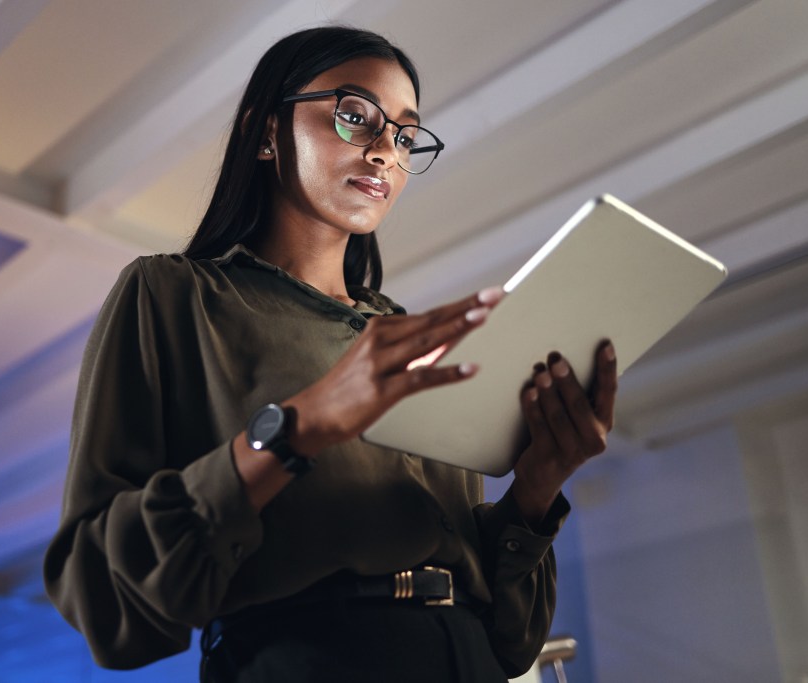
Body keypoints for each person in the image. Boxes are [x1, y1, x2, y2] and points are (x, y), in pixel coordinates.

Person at [43, 25, 617, 683]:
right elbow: (100, 596)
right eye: (355, 116)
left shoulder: (403, 332)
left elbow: (515, 640)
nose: (385, 153)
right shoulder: (174, 295)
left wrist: (537, 487)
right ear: (265, 131)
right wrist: (297, 429)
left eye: (404, 135)